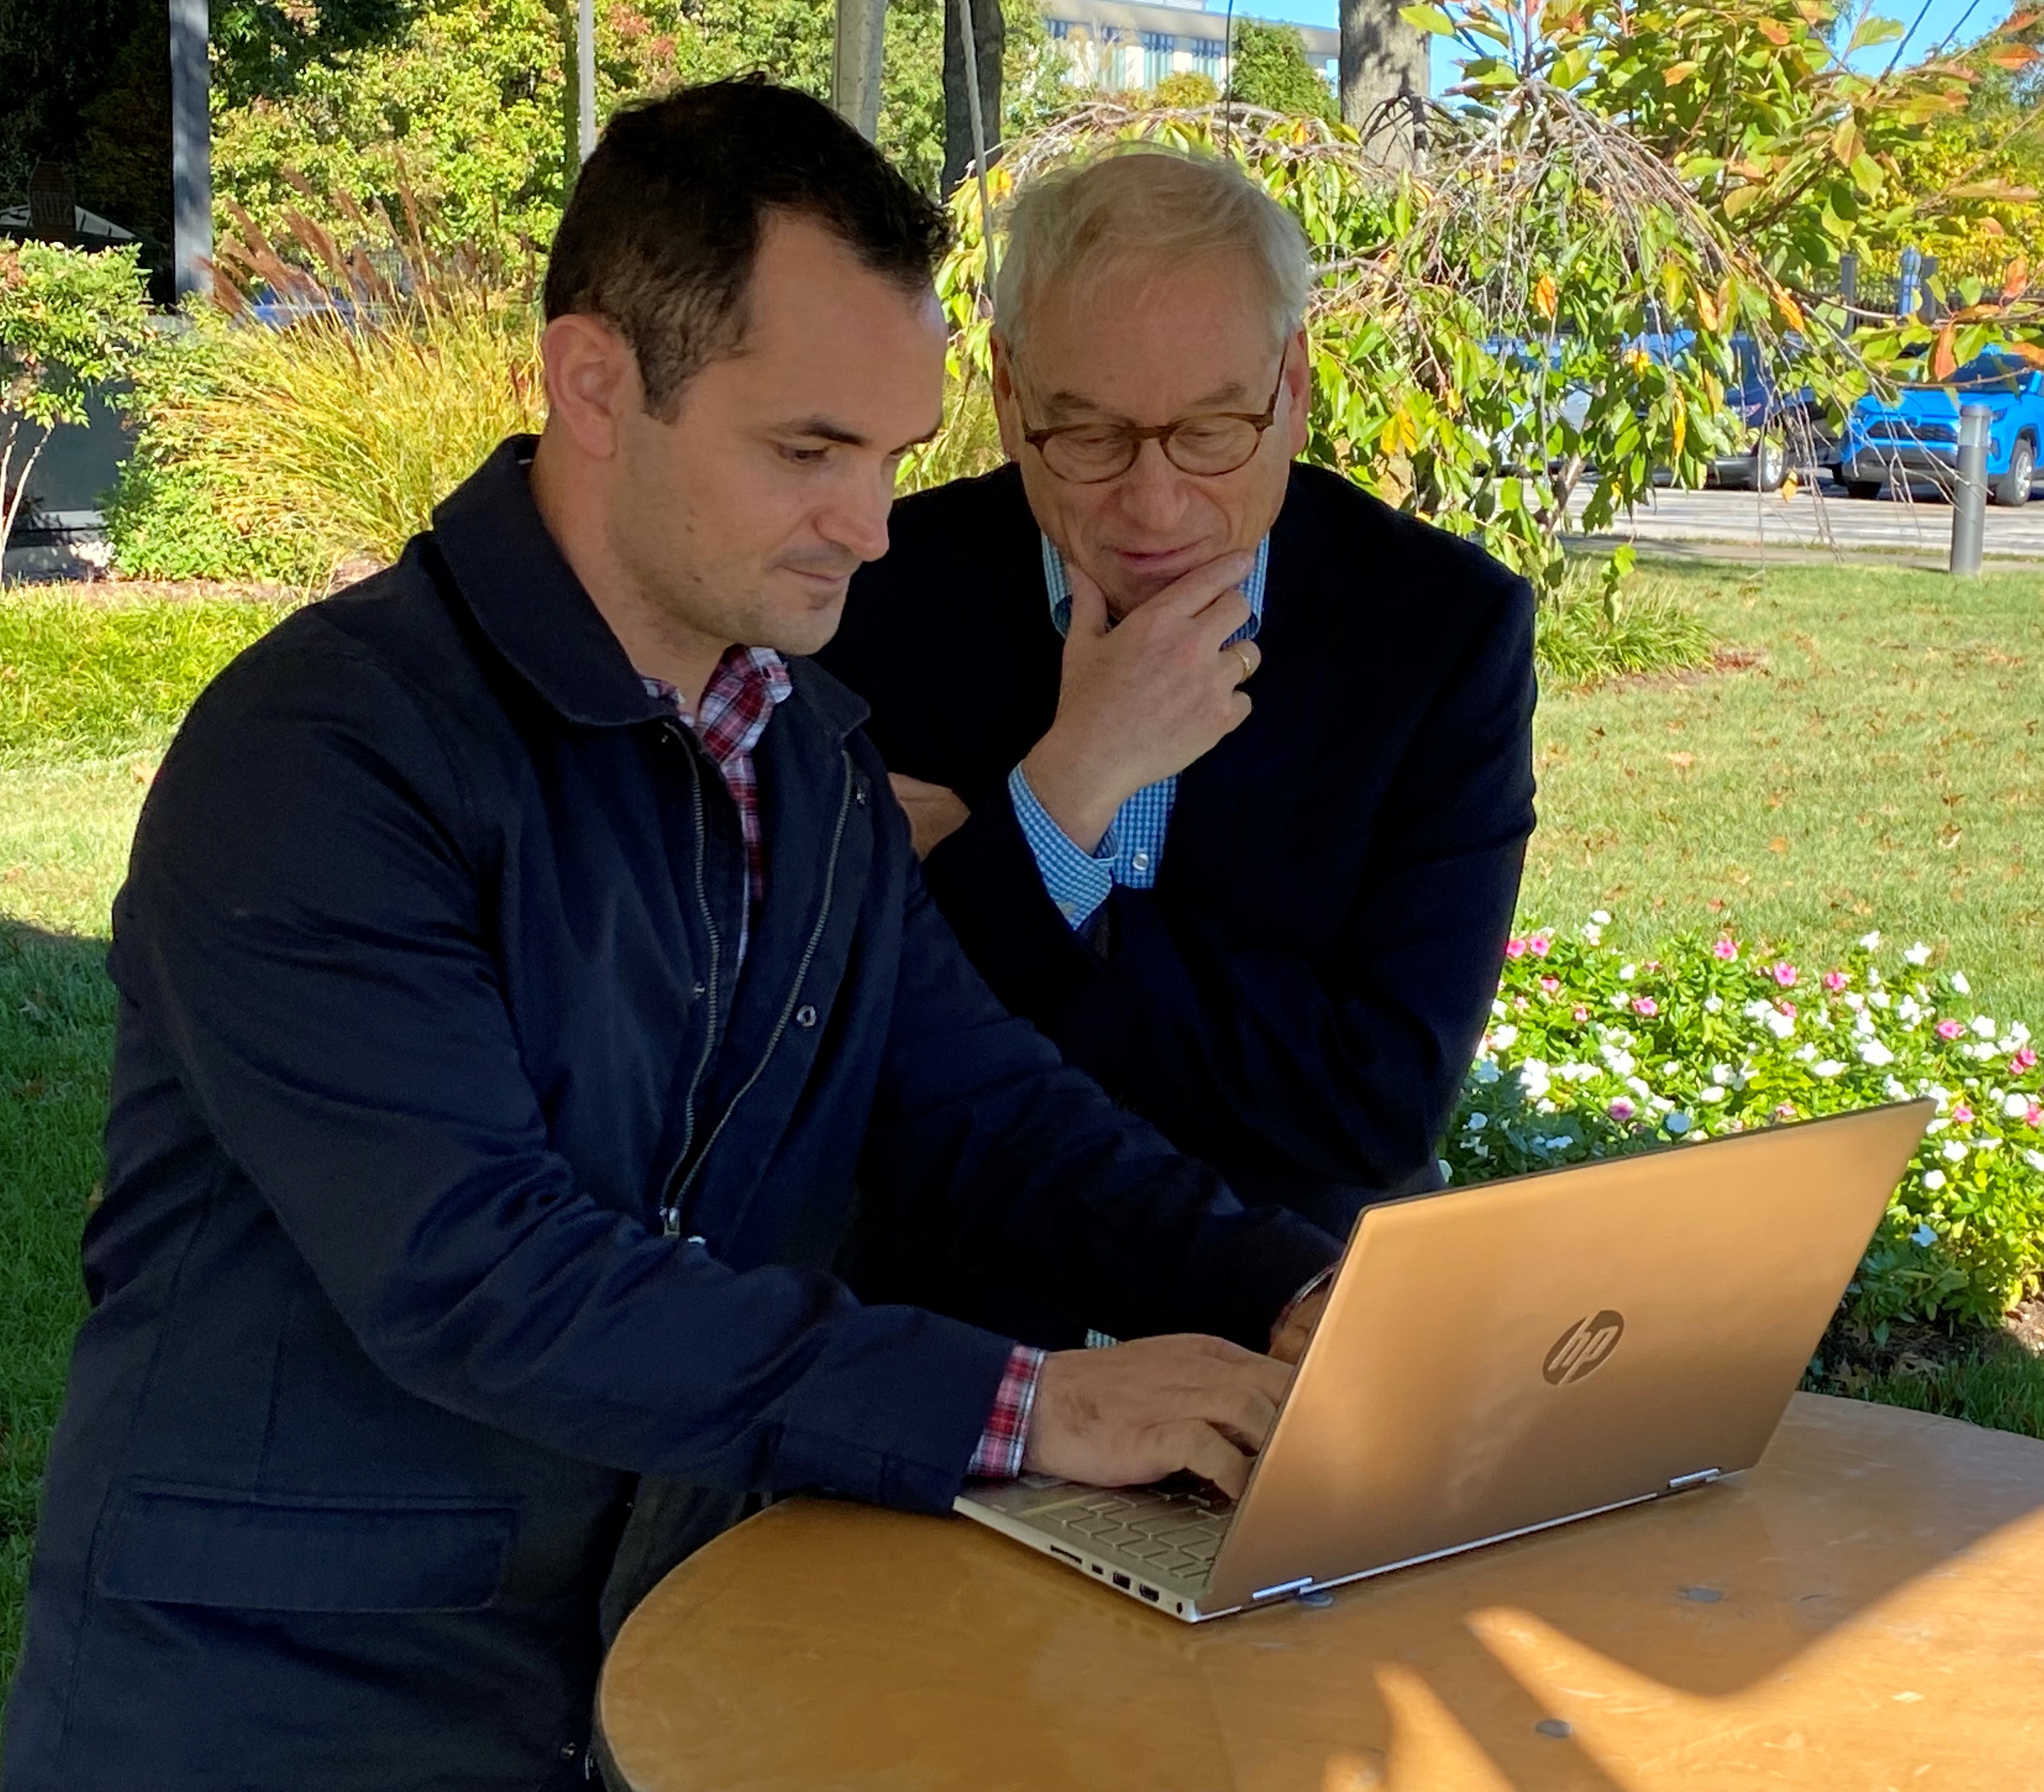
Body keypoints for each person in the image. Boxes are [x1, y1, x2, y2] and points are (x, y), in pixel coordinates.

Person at [2, 83, 1338, 1792]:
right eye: (807, 451)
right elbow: (484, 1274)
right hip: (277, 1704)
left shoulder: (807, 754)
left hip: (662, 1671)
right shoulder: (324, 757)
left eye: (891, 459)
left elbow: (984, 1111)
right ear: (594, 384)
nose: (870, 525)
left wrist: (1292, 1292)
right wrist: (1034, 1407)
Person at [814, 149, 1536, 1344]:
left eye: (1211, 432)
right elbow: (869, 1046)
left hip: (1293, 1321)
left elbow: (1380, 1098)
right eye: (1087, 436)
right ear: (1007, 394)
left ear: (1292, 388)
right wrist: (1072, 782)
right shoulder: (869, 598)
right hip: (954, 1328)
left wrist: (1019, 866)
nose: (1152, 507)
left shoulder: (1438, 634)